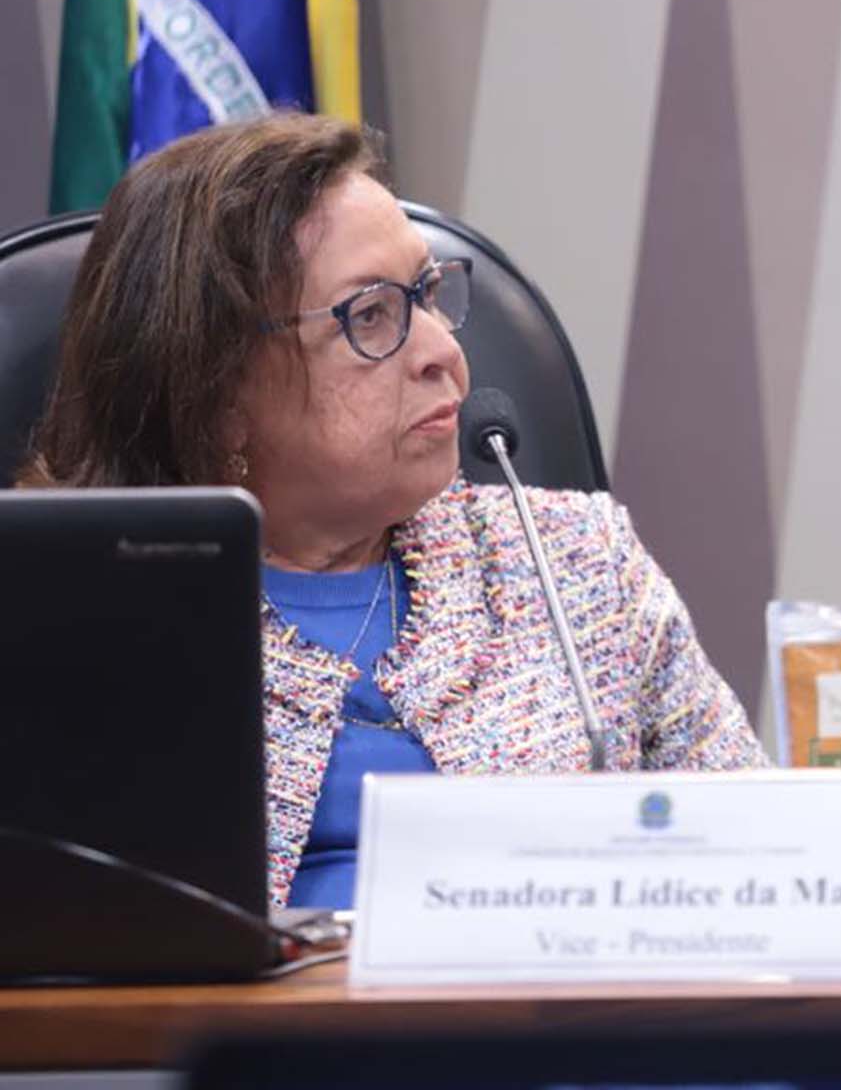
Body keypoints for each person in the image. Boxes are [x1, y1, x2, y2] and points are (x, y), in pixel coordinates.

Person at [18, 114, 763, 909]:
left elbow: (759, 854)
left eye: (429, 294)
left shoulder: (575, 561)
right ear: (217, 390)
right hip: (224, 1034)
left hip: (552, 1025)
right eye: (370, 315)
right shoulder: (77, 611)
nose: (442, 350)